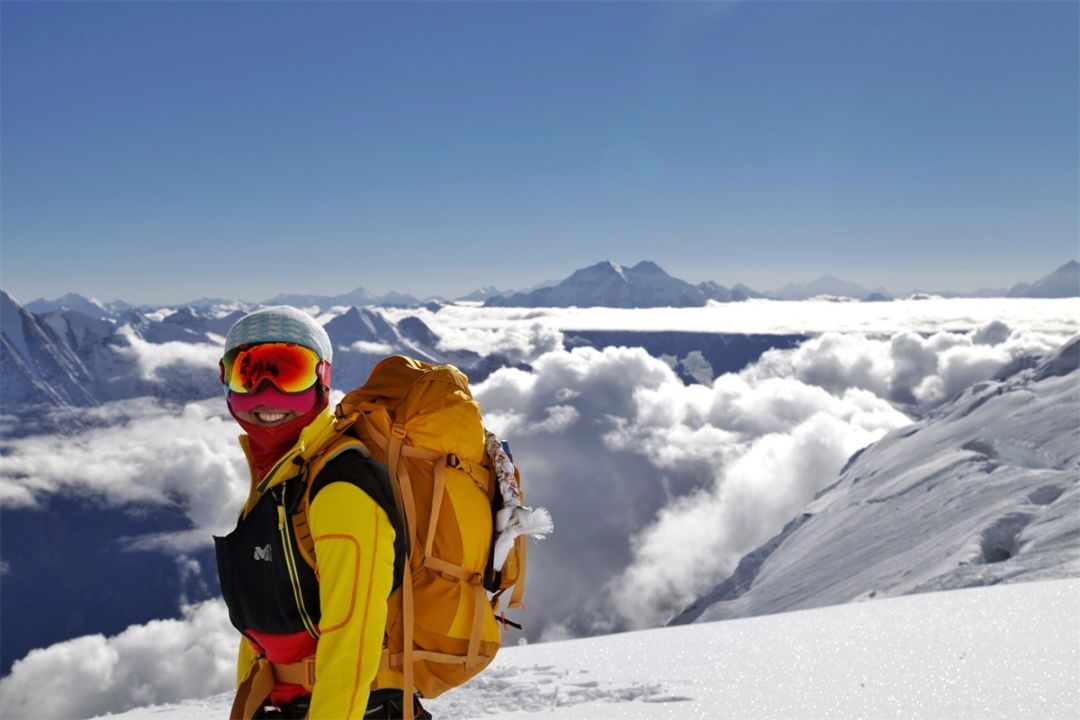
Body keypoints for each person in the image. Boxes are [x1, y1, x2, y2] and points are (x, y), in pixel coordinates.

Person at [213, 306, 427, 719]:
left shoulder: (341, 487)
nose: (266, 394)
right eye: (249, 372)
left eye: (288, 372)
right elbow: (259, 626)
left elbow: (353, 642)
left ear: (322, 382)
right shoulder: (279, 479)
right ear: (226, 382)